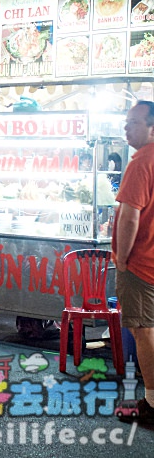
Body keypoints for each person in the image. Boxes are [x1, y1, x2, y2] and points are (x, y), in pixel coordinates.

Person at [113, 101, 154, 427]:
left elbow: (129, 215)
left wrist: (122, 258)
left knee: (144, 332)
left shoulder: (142, 161)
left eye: (133, 122)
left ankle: (152, 404)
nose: (126, 128)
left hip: (142, 263)